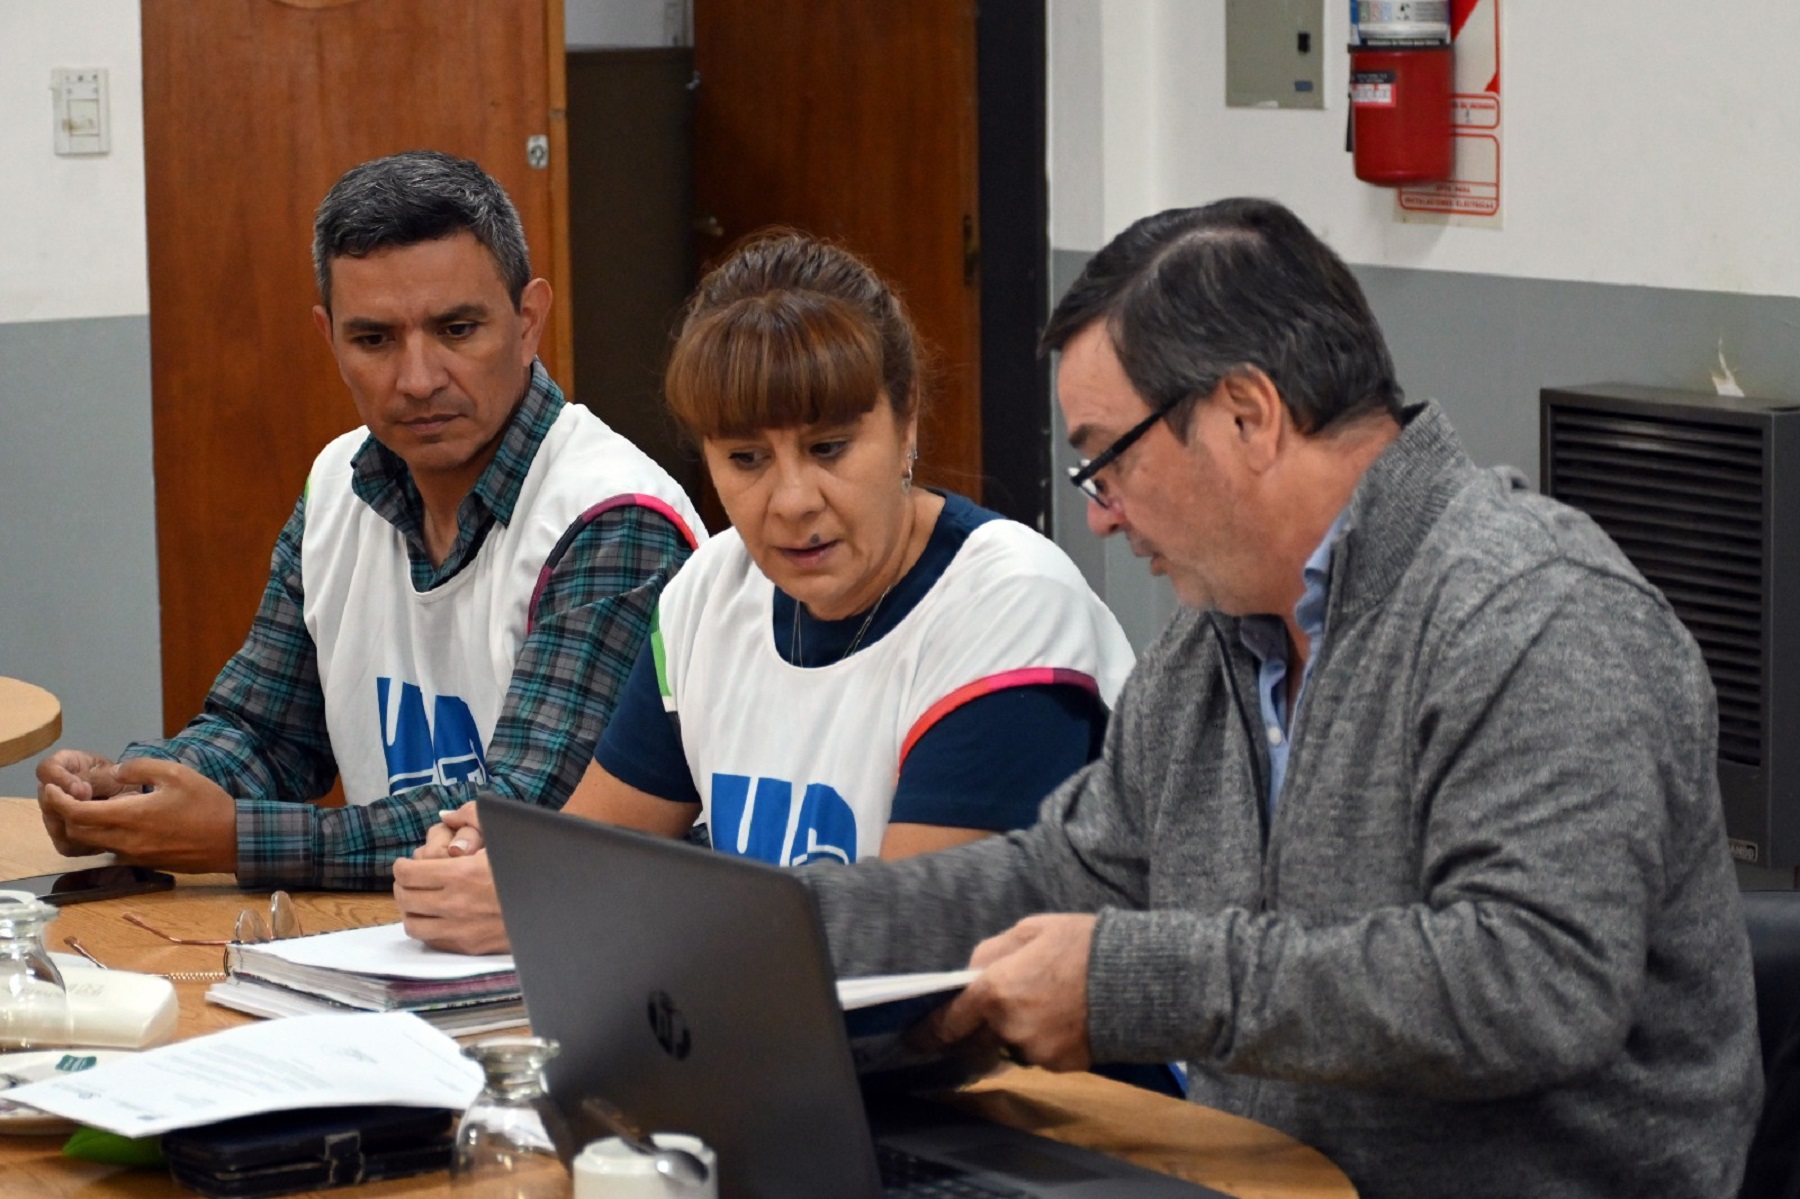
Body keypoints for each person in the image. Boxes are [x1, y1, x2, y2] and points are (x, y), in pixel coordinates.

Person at [795, 199, 1763, 1198]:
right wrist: (774, 938)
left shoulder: (1536, 615)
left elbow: (1533, 981)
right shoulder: (1209, 648)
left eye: (1106, 456)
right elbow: (1063, 879)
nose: (1096, 512)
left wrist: (1132, 980)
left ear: (1248, 415)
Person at [394, 232, 1136, 954]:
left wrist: (550, 899)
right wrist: (498, 860)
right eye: (745, 458)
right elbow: (592, 851)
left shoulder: (1013, 608)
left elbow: (908, 949)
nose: (790, 500)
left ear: (907, 420)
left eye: (829, 448)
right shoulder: (709, 590)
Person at [35, 150, 704, 890]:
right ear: (329, 339)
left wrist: (234, 837)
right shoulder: (337, 484)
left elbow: (526, 818)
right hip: (387, 942)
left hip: (555, 960)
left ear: (528, 321)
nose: (417, 380)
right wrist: (134, 793)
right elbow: (267, 733)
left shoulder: (613, 518)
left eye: (456, 329)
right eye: (375, 340)